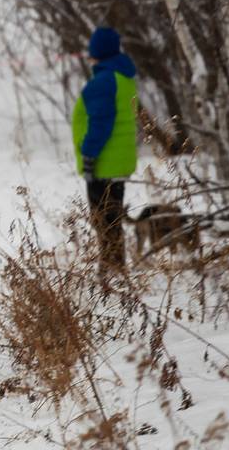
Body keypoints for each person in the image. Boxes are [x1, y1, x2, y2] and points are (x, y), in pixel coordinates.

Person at [73, 26, 140, 274]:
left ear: (96, 53)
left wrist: (89, 154)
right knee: (111, 220)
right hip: (118, 161)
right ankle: (114, 269)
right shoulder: (124, 78)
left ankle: (111, 272)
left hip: (103, 162)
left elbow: (100, 123)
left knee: (103, 221)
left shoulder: (103, 82)